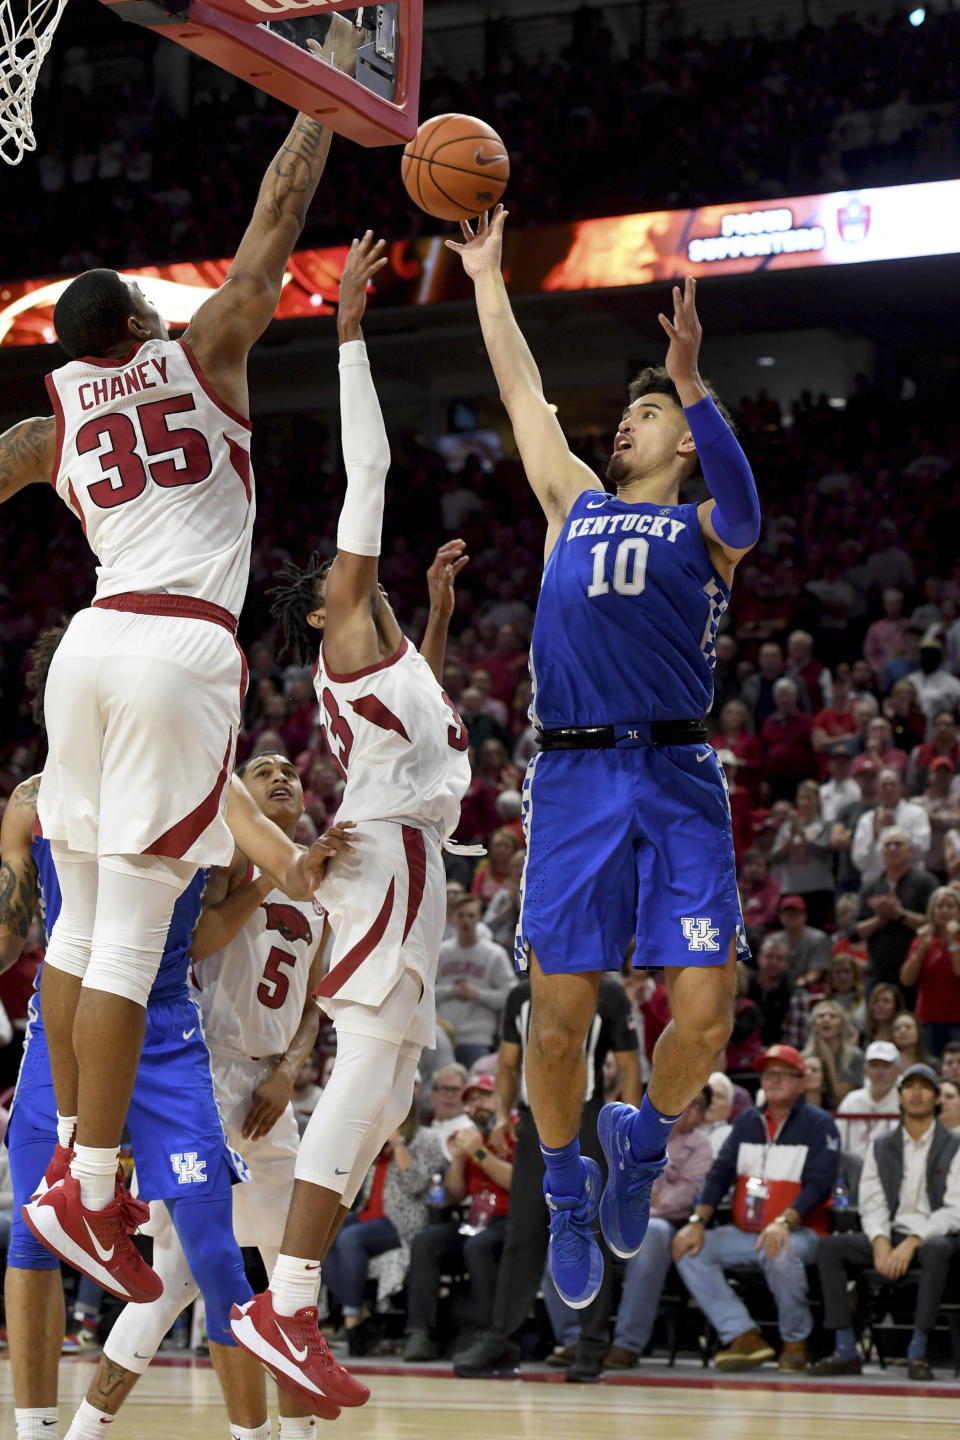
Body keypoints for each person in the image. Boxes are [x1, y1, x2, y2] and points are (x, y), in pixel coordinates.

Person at [12, 20, 361, 1300]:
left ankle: (63, 1163)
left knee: (87, 912)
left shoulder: (53, 412)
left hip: (86, 645)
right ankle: (90, 1190)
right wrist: (318, 97)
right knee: (129, 934)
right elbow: (275, 213)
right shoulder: (203, 347)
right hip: (175, 648)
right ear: (147, 317)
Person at [450, 207, 759, 1308]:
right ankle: (573, 1188)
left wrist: (692, 381)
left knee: (707, 1017)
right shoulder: (573, 504)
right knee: (557, 1020)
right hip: (576, 777)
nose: (625, 425)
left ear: (682, 440)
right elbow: (524, 392)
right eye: (626, 412)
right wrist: (487, 275)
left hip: (675, 775)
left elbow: (751, 507)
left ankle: (642, 1139)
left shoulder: (707, 530)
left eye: (646, 413)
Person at [230, 235, 472, 1415]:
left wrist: (434, 613)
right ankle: (285, 1307)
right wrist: (349, 335)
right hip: (384, 870)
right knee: (364, 1075)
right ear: (323, 612)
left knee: (381, 1096)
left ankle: (290, 1301)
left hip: (413, 868)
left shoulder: (394, 658)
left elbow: (428, 727)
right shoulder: (344, 642)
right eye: (342, 574)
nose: (352, 567)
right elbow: (366, 474)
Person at [63, 750, 347, 1439]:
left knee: (293, 1273)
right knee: (176, 1275)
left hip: (270, 1089)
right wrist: (276, 874)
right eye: (262, 772)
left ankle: (298, 1435)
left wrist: (289, 1070)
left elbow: (314, 1001)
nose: (280, 777)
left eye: (288, 771)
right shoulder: (227, 856)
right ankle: (84, 1429)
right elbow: (196, 942)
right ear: (242, 798)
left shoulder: (325, 893)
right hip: (203, 1074)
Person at [453, 973, 641, 1382]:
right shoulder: (521, 994)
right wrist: (502, 1115)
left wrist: (627, 1129)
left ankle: (592, 1348)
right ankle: (502, 1344)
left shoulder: (606, 991)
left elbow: (629, 1065)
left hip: (586, 1117)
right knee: (522, 1235)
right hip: (532, 1121)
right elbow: (507, 1062)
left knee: (586, 1230)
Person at [672, 1045, 839, 1373]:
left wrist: (784, 1222)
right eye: (767, 1073)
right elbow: (720, 1174)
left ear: (801, 1081)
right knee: (687, 1249)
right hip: (745, 1230)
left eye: (782, 1073)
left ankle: (795, 1341)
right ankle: (742, 1334)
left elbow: (819, 1184)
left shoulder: (820, 1125)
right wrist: (696, 1221)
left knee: (777, 1250)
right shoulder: (747, 1121)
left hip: (802, 1231)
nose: (772, 1080)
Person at [812, 1064, 960, 1381]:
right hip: (890, 1234)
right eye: (909, 1086)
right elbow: (872, 1200)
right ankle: (845, 1348)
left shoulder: (955, 1144)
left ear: (936, 1098)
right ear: (900, 1096)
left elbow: (954, 1209)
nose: (916, 1093)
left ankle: (918, 1352)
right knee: (830, 1248)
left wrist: (912, 1241)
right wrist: (880, 1240)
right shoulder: (880, 1145)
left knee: (936, 1250)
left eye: (925, 1087)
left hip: (933, 1236)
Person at [402, 1074, 514, 1360]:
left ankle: (487, 1334)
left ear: (501, 1100)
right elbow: (454, 1194)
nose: (478, 1106)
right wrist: (459, 1157)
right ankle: (420, 1333)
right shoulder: (472, 1137)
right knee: (426, 1241)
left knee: (478, 1247)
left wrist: (477, 1152)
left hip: (511, 1219)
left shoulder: (516, 1131)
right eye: (472, 1101)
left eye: (484, 1097)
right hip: (475, 1219)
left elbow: (517, 1183)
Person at [602, 1091, 714, 1369]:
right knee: (570, 1229)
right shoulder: (633, 1132)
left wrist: (640, 1201)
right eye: (684, 1100)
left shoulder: (700, 1146)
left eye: (696, 1105)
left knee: (651, 1232)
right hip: (615, 1214)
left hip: (664, 1222)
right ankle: (572, 1340)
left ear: (701, 1116)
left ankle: (626, 1344)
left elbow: (688, 1194)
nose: (687, 1108)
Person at [435, 895, 515, 1068]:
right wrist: (451, 990)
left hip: (477, 1037)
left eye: (471, 916)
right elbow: (423, 992)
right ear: (452, 918)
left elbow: (510, 995)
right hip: (441, 1035)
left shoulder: (494, 954)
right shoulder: (441, 952)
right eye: (461, 915)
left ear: (479, 918)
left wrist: (477, 994)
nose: (466, 921)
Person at [854, 828, 938, 992]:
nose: (892, 849)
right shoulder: (870, 887)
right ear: (881, 853)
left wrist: (901, 915)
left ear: (911, 851)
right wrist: (879, 919)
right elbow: (854, 932)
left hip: (917, 971)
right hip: (878, 970)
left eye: (898, 844)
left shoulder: (926, 882)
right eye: (887, 845)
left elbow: (935, 924)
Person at [899, 886, 960, 1058]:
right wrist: (921, 949)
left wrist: (953, 941)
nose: (945, 911)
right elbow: (906, 979)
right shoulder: (922, 939)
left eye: (950, 906)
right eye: (940, 906)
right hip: (928, 1019)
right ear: (932, 911)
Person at [768, 784, 834, 930]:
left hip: (818, 889)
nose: (804, 802)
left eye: (809, 798)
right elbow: (774, 858)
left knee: (816, 930)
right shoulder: (787, 827)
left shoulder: (825, 825)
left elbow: (823, 852)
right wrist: (791, 837)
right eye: (801, 798)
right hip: (791, 888)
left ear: (818, 801)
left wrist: (802, 835)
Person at [851, 769, 931, 884]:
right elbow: (860, 862)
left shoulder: (917, 814)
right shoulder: (867, 820)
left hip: (911, 885)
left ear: (901, 788)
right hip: (875, 885)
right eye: (884, 785)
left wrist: (896, 828)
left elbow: (922, 851)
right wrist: (874, 836)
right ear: (877, 790)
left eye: (892, 784)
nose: (888, 789)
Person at [836, 1040, 901, 1159]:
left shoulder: (905, 1102)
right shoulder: (851, 1101)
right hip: (853, 1172)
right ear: (866, 1070)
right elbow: (839, 1142)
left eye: (886, 1066)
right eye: (874, 1065)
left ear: (897, 1071)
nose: (880, 1072)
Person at [746, 935, 811, 1052]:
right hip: (742, 1055)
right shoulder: (743, 986)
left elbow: (794, 1041)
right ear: (759, 958)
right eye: (769, 956)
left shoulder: (797, 993)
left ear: (788, 963)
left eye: (780, 958)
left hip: (778, 1057)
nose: (774, 962)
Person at [803, 1000, 864, 1107]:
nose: (826, 1019)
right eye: (821, 1016)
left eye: (832, 1016)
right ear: (814, 1024)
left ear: (842, 1026)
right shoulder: (804, 1058)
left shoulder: (854, 1056)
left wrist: (828, 1058)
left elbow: (839, 1097)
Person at [768, 895, 832, 986]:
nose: (792, 916)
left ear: (805, 915)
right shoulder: (772, 940)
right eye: (788, 913)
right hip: (778, 987)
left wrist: (797, 985)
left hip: (809, 987)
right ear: (780, 917)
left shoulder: (819, 938)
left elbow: (816, 972)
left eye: (796, 913)